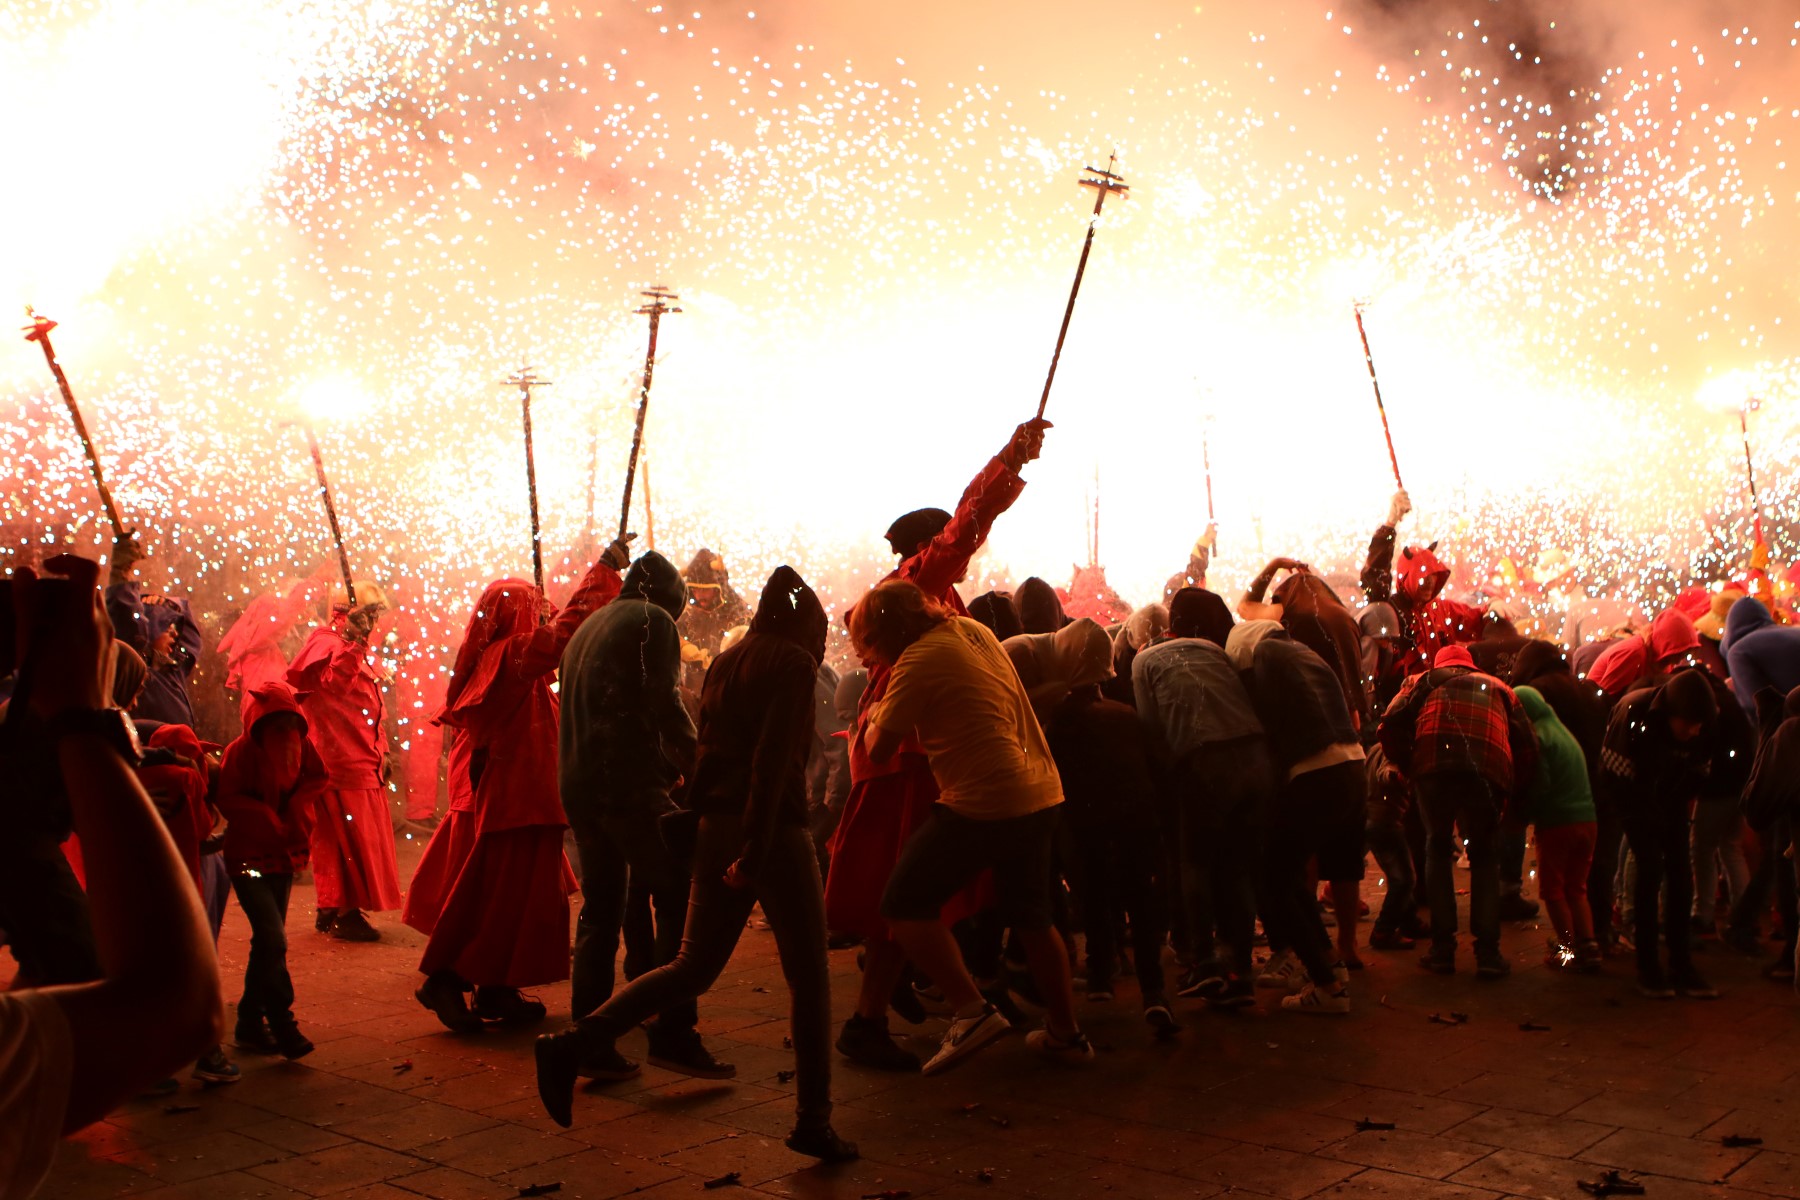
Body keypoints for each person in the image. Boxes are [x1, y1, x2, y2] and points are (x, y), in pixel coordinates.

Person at [536, 567, 858, 1162]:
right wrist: (755, 850)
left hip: (708, 820)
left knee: (689, 964)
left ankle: (575, 1041)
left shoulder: (729, 661)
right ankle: (813, 1121)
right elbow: (772, 763)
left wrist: (704, 818)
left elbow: (707, 747)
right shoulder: (790, 662)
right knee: (809, 978)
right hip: (772, 829)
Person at [825, 418, 1047, 1071]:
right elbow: (965, 529)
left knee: (911, 896)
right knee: (910, 895)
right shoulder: (915, 586)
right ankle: (960, 1004)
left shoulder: (918, 601)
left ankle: (880, 1010)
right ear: (926, 547)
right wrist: (1008, 462)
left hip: (918, 761)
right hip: (909, 765)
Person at [0, 555, 222, 1198]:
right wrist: (83, 718)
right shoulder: (150, 739)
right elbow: (177, 1007)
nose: (169, 640)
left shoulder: (171, 680)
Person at [851, 579, 1091, 1073]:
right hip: (1039, 790)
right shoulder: (971, 630)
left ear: (887, 633)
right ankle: (1067, 1035)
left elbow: (879, 747)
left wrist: (872, 712)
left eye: (869, 644)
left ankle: (971, 1010)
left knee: (902, 905)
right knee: (1033, 917)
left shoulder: (916, 660)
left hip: (983, 800)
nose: (868, 657)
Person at [407, 540, 629, 1033]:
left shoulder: (510, 663)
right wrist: (602, 574)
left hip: (528, 803)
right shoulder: (508, 656)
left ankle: (496, 986)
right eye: (533, 608)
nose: (542, 614)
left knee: (521, 904)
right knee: (498, 901)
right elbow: (561, 638)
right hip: (512, 806)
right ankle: (446, 979)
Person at [559, 550, 730, 1077]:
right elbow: (665, 704)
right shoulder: (652, 620)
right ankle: (673, 1030)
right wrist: (703, 765)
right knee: (679, 894)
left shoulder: (590, 626)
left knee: (600, 913)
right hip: (627, 786)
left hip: (580, 786)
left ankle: (589, 1040)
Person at [1005, 619, 1174, 1033]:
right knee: (1140, 901)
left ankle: (1100, 977)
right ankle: (1154, 993)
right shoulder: (1125, 714)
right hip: (1136, 819)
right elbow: (1153, 768)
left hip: (1083, 824)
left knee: (1093, 895)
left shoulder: (1056, 721)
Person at [1133, 587, 1272, 1007]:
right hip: (1256, 757)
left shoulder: (1144, 660)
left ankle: (1205, 961)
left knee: (1196, 862)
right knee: (1238, 867)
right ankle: (1240, 971)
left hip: (1203, 759)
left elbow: (1151, 729)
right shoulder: (1216, 651)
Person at [1225, 620, 1365, 1014]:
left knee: (1273, 881)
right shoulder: (1304, 652)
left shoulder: (1264, 656)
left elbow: (1265, 726)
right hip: (1351, 764)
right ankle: (1330, 965)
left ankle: (1327, 985)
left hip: (1315, 771)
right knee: (1287, 876)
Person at [1379, 644, 1536, 977]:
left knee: (1437, 848)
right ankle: (1488, 954)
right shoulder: (1500, 687)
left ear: (1439, 665)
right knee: (1484, 855)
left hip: (1433, 767)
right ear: (1471, 665)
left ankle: (1442, 950)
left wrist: (1406, 763)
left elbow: (1389, 723)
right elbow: (1528, 745)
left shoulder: (1421, 681)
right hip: (1488, 769)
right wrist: (1514, 790)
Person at [215, 681, 326, 1059]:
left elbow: (317, 776)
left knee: (267, 942)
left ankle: (249, 1021)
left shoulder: (301, 745)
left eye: (290, 727)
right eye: (277, 727)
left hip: (283, 857)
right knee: (273, 939)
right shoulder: (240, 752)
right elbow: (228, 796)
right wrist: (265, 817)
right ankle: (282, 1021)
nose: (286, 736)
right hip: (248, 859)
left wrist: (296, 810)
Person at [1596, 668, 1721, 998]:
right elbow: (1617, 779)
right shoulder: (1633, 713)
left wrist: (1674, 808)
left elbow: (1700, 772)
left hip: (1672, 798)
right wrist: (1645, 818)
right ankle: (1648, 966)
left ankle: (1681, 964)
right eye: (1686, 723)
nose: (1692, 732)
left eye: (1698, 725)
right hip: (1631, 796)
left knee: (1681, 873)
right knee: (1649, 869)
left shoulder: (1706, 726)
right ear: (1670, 713)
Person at [286, 585, 401, 941]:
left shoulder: (355, 644)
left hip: (360, 757)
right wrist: (352, 642)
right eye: (373, 612)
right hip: (339, 760)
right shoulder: (327, 642)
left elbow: (367, 705)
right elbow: (334, 685)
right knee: (343, 840)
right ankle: (344, 912)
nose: (376, 621)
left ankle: (333, 906)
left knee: (346, 839)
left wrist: (383, 750)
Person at [1515, 686, 1600, 970]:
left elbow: (1541, 784)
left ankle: (1567, 950)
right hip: (1587, 819)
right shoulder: (1563, 733)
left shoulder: (1539, 737)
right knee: (1577, 888)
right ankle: (1589, 946)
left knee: (1552, 891)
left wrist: (1524, 813)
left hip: (1557, 822)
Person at [1360, 491, 1486, 675]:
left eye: (1433, 576)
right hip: (1402, 691)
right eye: (1423, 577)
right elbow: (1374, 578)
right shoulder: (1391, 611)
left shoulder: (1443, 610)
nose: (1429, 583)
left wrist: (1494, 611)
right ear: (1407, 578)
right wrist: (1390, 524)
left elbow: (1479, 621)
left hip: (1442, 689)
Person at [104, 533, 203, 728]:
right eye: (168, 628)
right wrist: (122, 573)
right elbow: (126, 619)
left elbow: (191, 640)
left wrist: (175, 606)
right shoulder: (136, 668)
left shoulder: (172, 670)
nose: (176, 634)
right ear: (149, 629)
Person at [677, 547, 749, 658]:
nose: (699, 596)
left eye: (704, 590)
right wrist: (683, 646)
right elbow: (672, 635)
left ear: (718, 589)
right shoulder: (686, 613)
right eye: (695, 590)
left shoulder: (739, 614)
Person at [1162, 525, 1216, 605]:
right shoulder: (1186, 608)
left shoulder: (1161, 611)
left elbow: (1194, 573)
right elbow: (1194, 573)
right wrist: (1205, 541)